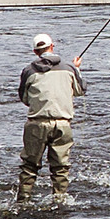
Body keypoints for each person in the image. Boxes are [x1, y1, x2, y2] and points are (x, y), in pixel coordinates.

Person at [16, 33, 85, 206]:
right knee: (60, 168)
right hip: (63, 123)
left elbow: (24, 98)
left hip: (36, 124)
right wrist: (77, 69)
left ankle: (23, 202)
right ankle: (60, 201)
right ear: (52, 46)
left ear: (35, 51)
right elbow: (80, 90)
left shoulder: (28, 71)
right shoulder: (69, 69)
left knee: (29, 166)